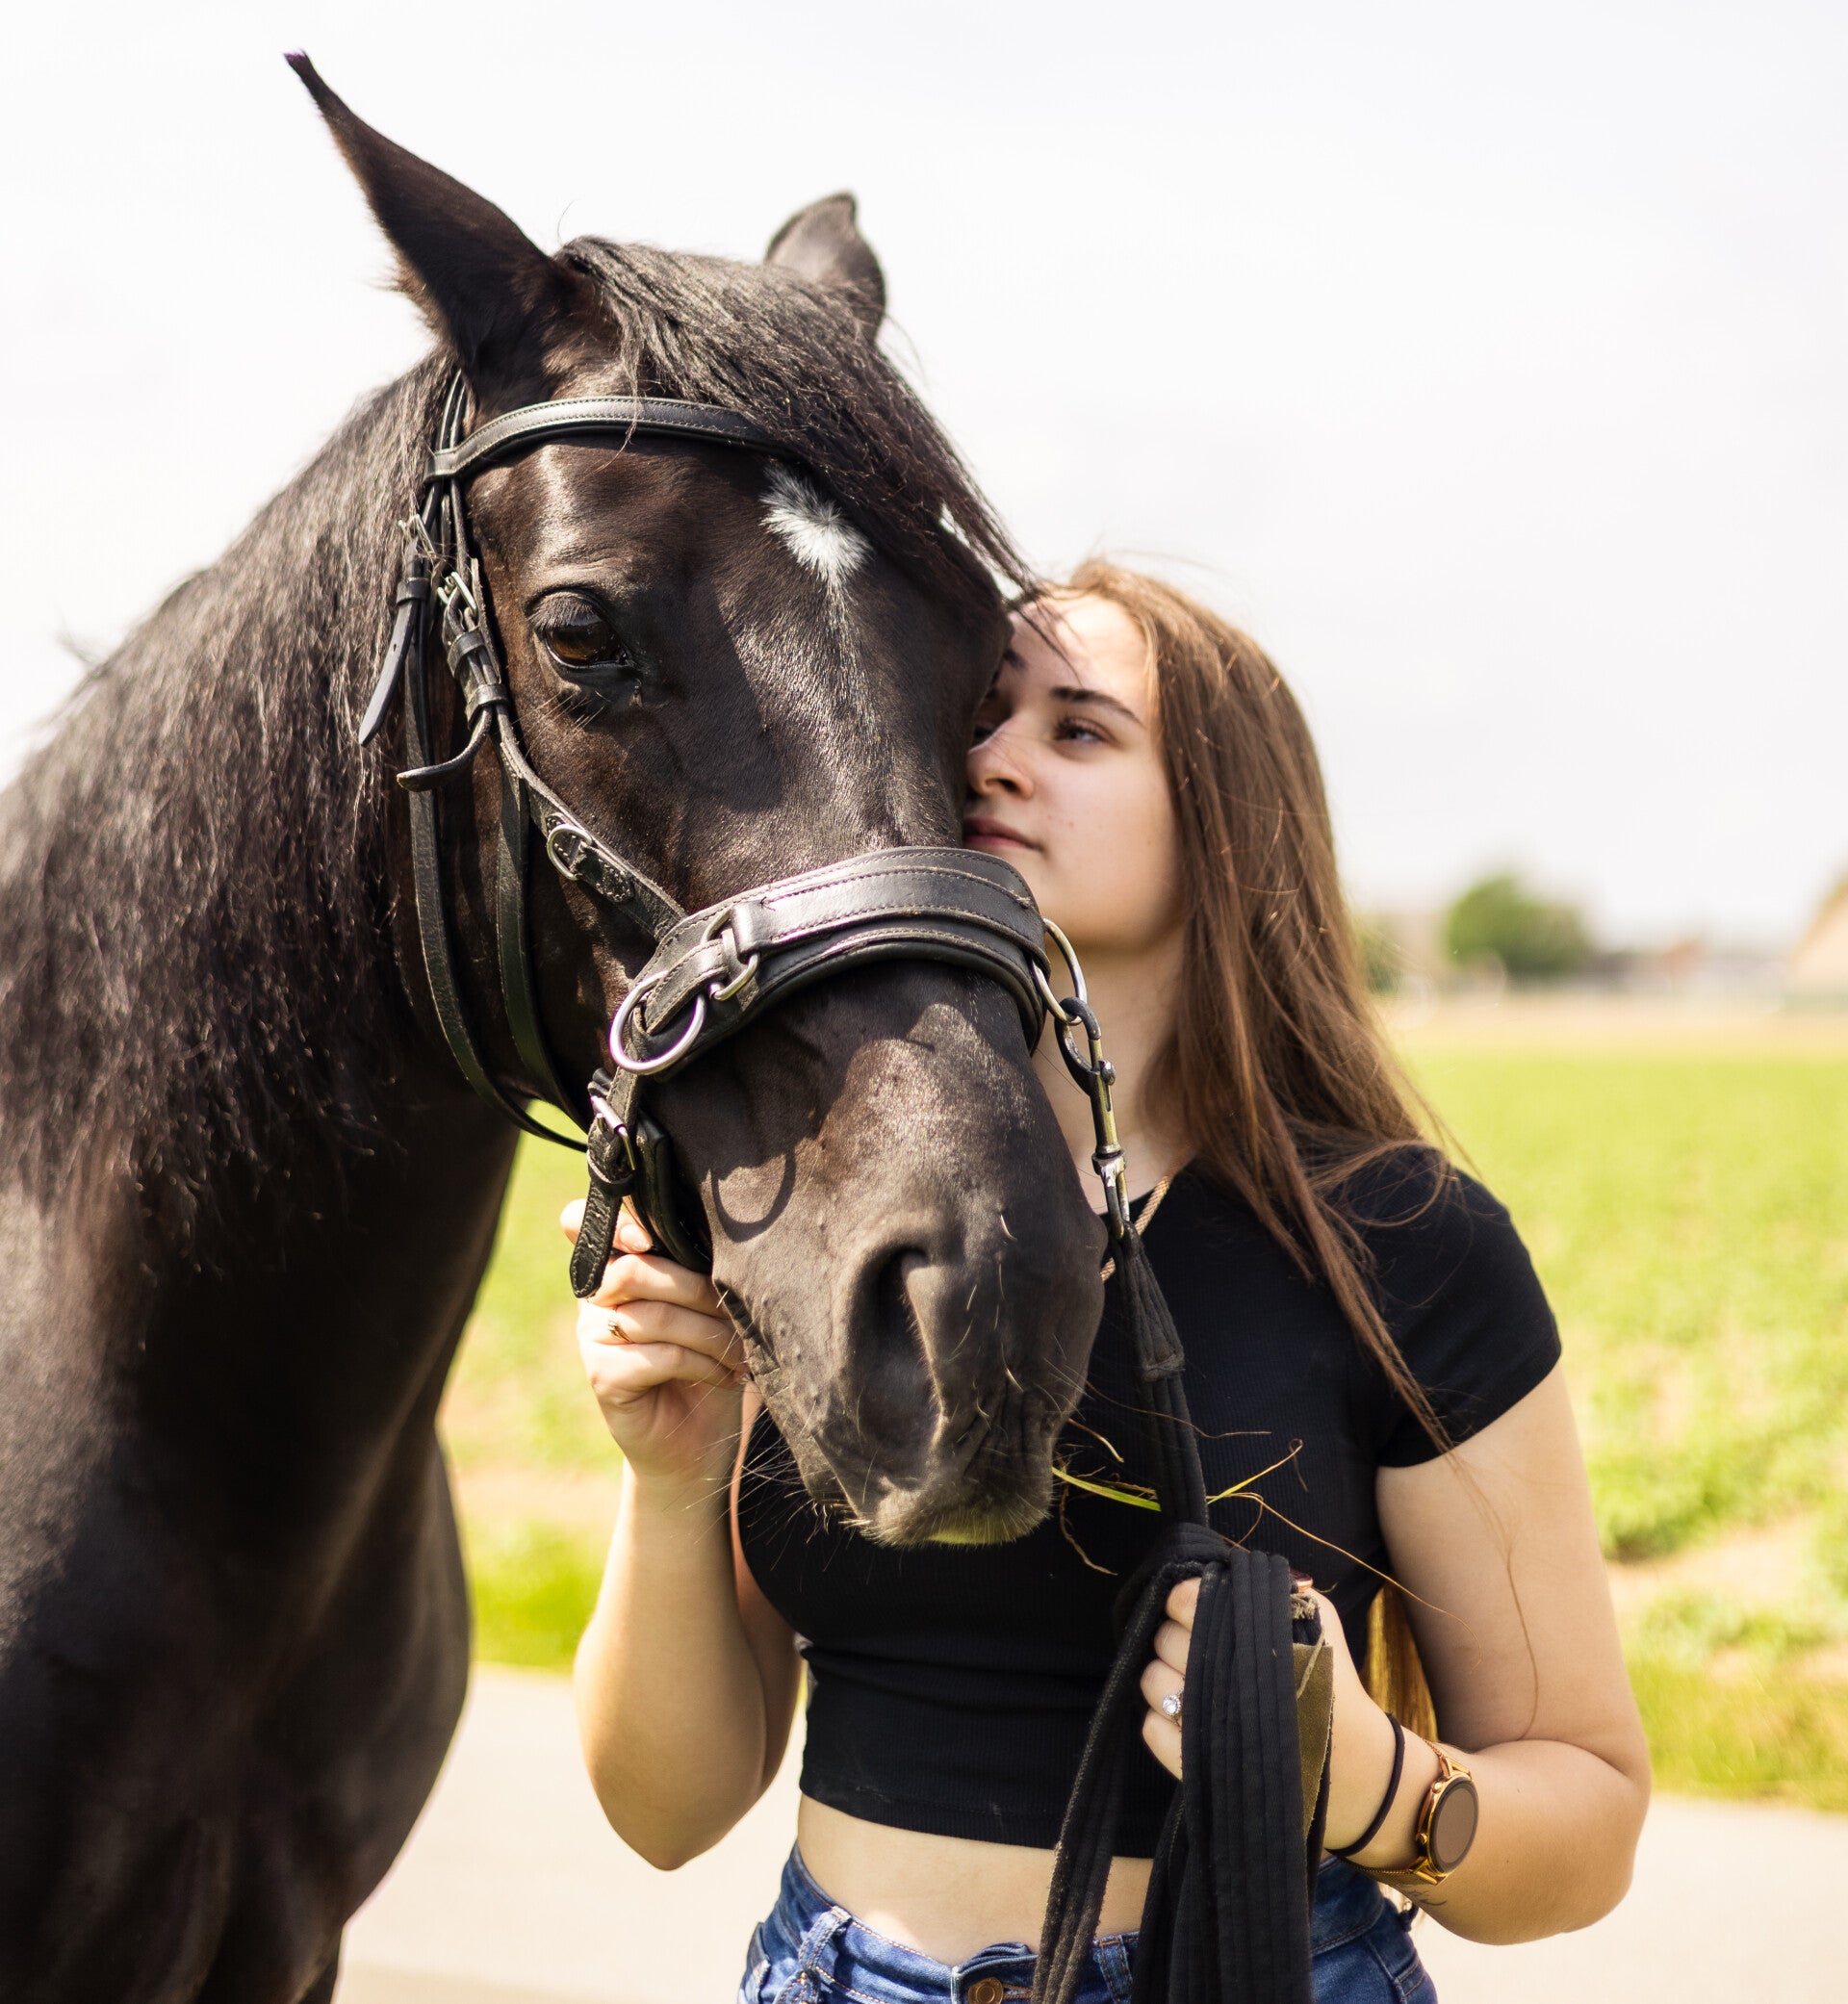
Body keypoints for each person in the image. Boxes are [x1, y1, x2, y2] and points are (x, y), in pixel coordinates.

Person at [563, 562, 1650, 2004]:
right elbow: (666, 1810)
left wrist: (1366, 1779)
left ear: (1226, 824)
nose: (992, 759)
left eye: (1077, 729)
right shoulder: (821, 1200)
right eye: (980, 718)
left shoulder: (1403, 1243)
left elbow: (1588, 1816)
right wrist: (670, 1481)